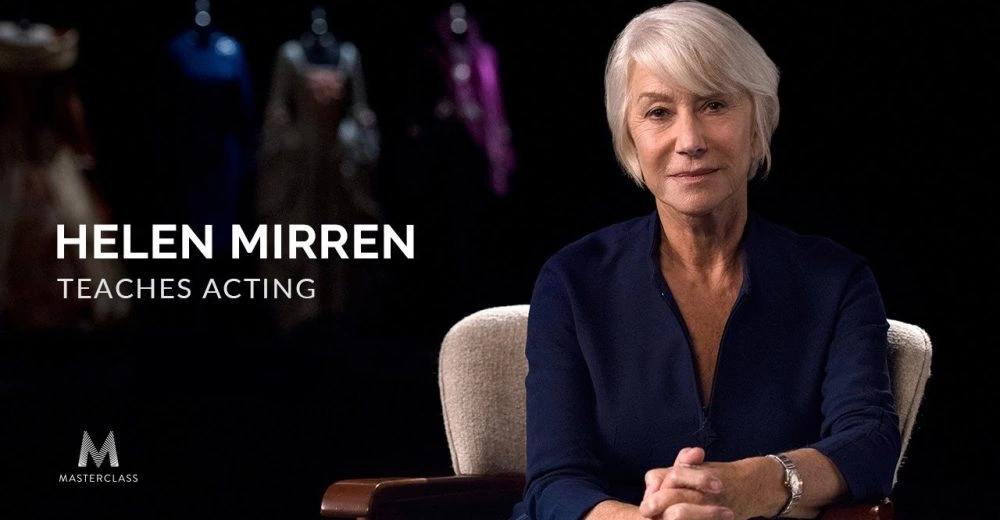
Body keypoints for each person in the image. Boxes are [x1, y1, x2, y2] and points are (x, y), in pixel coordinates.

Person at [510, 2, 901, 519]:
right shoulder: (571, 281)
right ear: (630, 138)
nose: (690, 141)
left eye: (715, 105)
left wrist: (753, 483)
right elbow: (554, 482)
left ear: (758, 124)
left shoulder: (836, 281)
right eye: (658, 112)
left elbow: (869, 443)